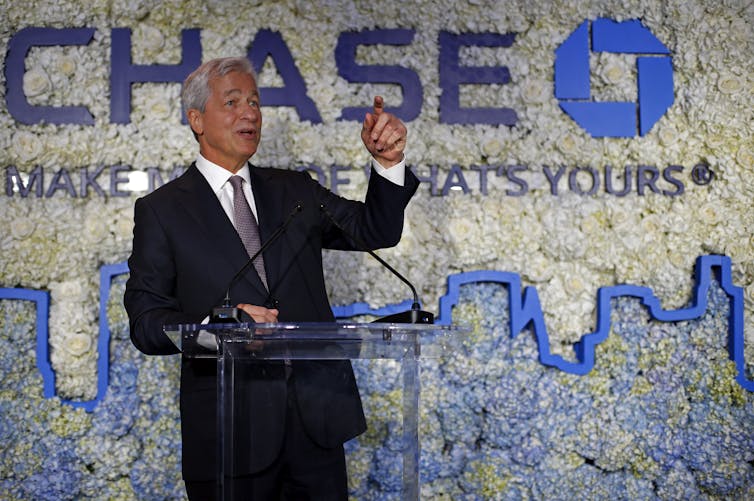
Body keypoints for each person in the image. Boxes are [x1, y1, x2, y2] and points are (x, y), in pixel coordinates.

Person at [123, 56, 419, 500]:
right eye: (234, 102)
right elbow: (146, 322)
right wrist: (219, 326)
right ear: (197, 119)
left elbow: (374, 231)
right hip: (231, 436)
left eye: (256, 102)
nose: (250, 113)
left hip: (315, 427)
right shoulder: (162, 212)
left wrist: (388, 164)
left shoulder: (294, 190)